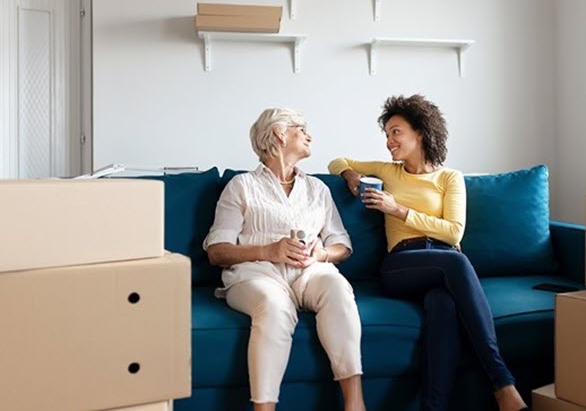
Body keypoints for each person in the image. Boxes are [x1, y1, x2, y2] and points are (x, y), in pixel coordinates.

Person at [328, 95, 528, 411]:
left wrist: (399, 210)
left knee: (443, 303)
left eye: (396, 132)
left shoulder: (450, 178)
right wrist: (349, 174)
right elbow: (338, 160)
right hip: (402, 264)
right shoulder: (388, 171)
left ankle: (432, 406)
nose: (388, 141)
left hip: (444, 262)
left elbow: (453, 232)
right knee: (456, 263)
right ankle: (502, 384)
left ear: (420, 132)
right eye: (387, 134)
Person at [205, 108, 366, 411]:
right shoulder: (242, 186)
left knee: (338, 288)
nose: (309, 135)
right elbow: (217, 250)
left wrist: (322, 254)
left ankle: (355, 403)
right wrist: (269, 250)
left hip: (309, 272)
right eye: (301, 129)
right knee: (274, 305)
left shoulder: (317, 189)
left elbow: (341, 244)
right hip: (255, 274)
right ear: (280, 133)